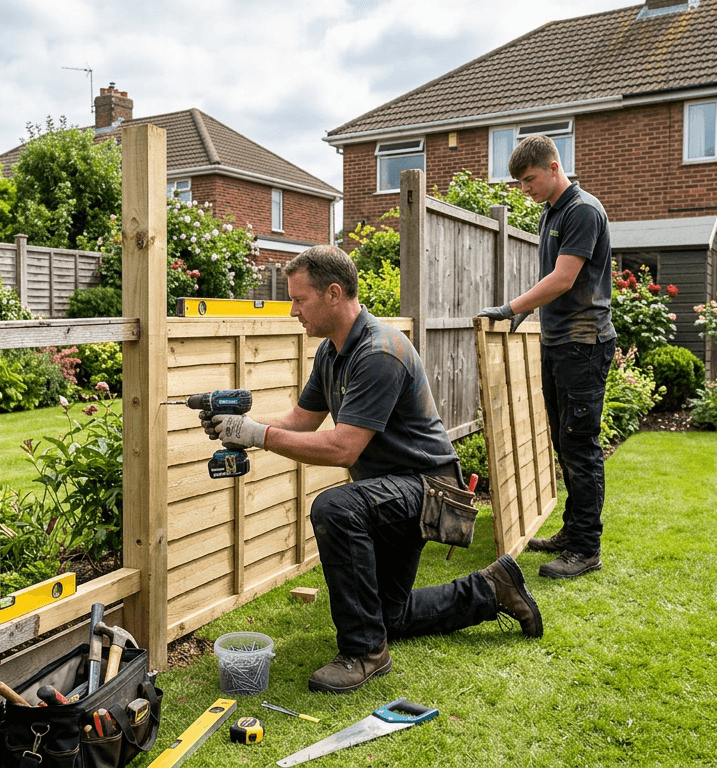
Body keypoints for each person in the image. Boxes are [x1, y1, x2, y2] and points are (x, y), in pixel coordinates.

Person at [208, 245, 543, 694]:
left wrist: (257, 436)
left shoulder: (379, 352)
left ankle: (364, 654)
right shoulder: (332, 353)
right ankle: (493, 588)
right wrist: (239, 426)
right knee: (390, 616)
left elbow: (343, 448)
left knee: (335, 508)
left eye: (299, 299)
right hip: (391, 493)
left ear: (332, 293)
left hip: (429, 493)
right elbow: (301, 422)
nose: (292, 311)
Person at [477, 134, 615, 580]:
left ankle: (585, 548)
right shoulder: (551, 212)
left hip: (583, 343)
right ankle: (573, 532)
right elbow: (554, 282)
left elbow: (563, 278)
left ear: (554, 168)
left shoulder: (581, 211)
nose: (525, 189)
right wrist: (531, 315)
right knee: (564, 440)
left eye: (530, 179)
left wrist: (512, 308)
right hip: (560, 341)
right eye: (519, 182)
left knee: (580, 446)